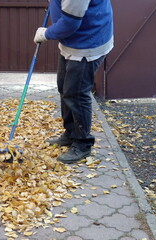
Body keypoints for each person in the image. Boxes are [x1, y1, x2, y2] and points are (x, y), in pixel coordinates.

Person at [33, 0, 114, 164]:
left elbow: (70, 24)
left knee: (76, 94)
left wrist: (46, 33)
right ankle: (71, 133)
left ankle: (83, 143)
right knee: (64, 86)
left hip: (86, 43)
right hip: (72, 41)